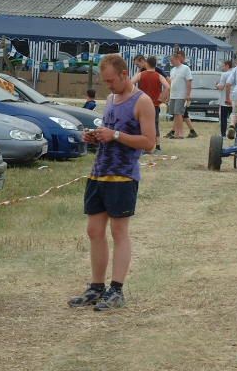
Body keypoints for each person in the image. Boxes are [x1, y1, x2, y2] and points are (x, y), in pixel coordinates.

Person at [68, 54, 156, 312]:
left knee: (119, 232)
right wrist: (95, 138)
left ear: (124, 74)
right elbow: (110, 133)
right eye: (105, 81)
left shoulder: (143, 102)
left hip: (123, 175)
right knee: (94, 231)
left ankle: (116, 289)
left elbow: (149, 143)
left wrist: (115, 135)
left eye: (111, 81)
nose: (109, 86)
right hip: (99, 173)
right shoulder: (110, 99)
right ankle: (96, 287)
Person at [132, 56, 170, 153]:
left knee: (141, 124)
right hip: (155, 104)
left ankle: (143, 147)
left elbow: (130, 83)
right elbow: (167, 87)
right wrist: (162, 97)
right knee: (155, 124)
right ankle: (157, 147)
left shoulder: (141, 74)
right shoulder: (159, 75)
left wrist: (136, 93)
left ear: (147, 64)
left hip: (142, 103)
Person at [166, 51, 192, 139]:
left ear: (177, 59)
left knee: (179, 114)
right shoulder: (172, 70)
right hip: (173, 95)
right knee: (175, 114)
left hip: (181, 95)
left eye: (172, 60)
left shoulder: (185, 68)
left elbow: (189, 81)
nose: (171, 62)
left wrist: (188, 94)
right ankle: (176, 133)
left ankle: (180, 133)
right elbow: (171, 83)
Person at [216, 60, 234, 137]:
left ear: (227, 66)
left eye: (223, 66)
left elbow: (221, 87)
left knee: (223, 118)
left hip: (225, 101)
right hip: (235, 100)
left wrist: (216, 85)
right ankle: (234, 132)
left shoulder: (224, 74)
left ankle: (223, 134)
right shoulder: (236, 73)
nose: (222, 67)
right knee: (234, 118)